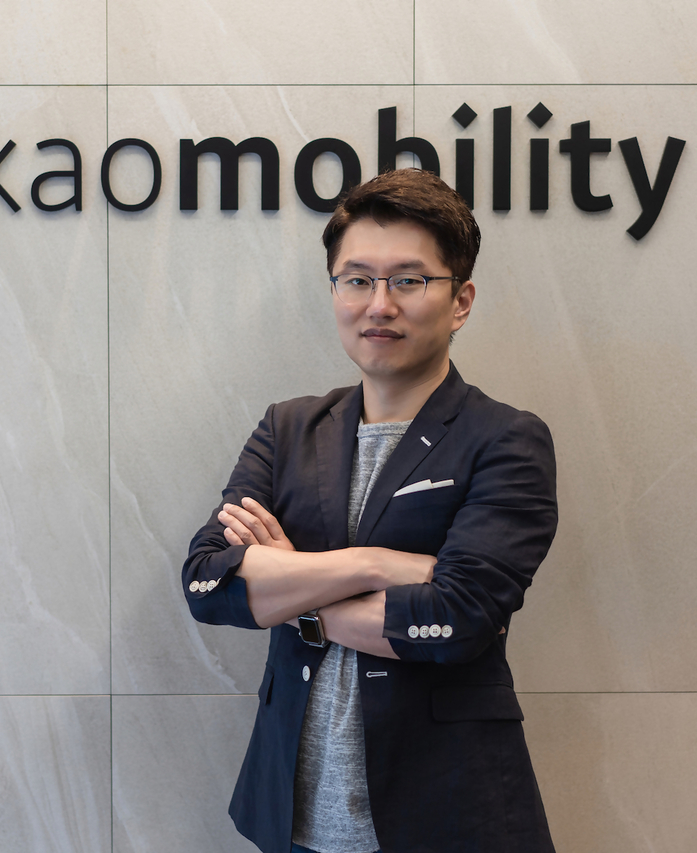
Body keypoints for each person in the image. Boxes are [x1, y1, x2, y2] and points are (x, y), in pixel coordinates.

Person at [182, 168, 558, 853]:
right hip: (294, 819)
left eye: (408, 280)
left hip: (448, 818)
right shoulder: (288, 429)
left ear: (461, 300)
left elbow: (459, 619)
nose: (378, 304)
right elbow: (210, 583)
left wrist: (292, 588)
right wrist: (375, 564)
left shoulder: (506, 439)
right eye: (356, 279)